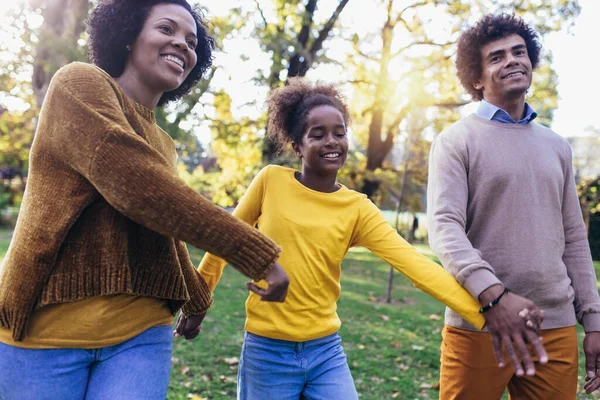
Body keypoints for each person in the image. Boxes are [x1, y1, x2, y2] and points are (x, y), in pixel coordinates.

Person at [0, 1, 289, 399]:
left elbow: (159, 218)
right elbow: (131, 182)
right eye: (166, 29)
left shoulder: (163, 142)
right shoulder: (77, 84)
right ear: (128, 35)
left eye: (192, 41)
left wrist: (196, 294)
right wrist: (253, 252)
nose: (182, 45)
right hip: (43, 334)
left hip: (141, 334)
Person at [198, 78, 488, 400]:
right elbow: (225, 238)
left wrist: (484, 312)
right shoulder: (270, 181)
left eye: (339, 132)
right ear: (297, 146)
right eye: (317, 134)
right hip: (268, 350)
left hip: (326, 351)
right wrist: (200, 298)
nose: (331, 141)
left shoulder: (357, 208)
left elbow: (414, 264)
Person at [427, 13, 600, 399]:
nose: (513, 61)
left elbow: (573, 236)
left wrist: (593, 319)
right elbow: (443, 227)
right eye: (497, 56)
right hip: (479, 323)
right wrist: (494, 296)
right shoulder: (456, 141)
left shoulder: (557, 146)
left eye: (519, 52)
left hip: (553, 326)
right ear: (476, 78)